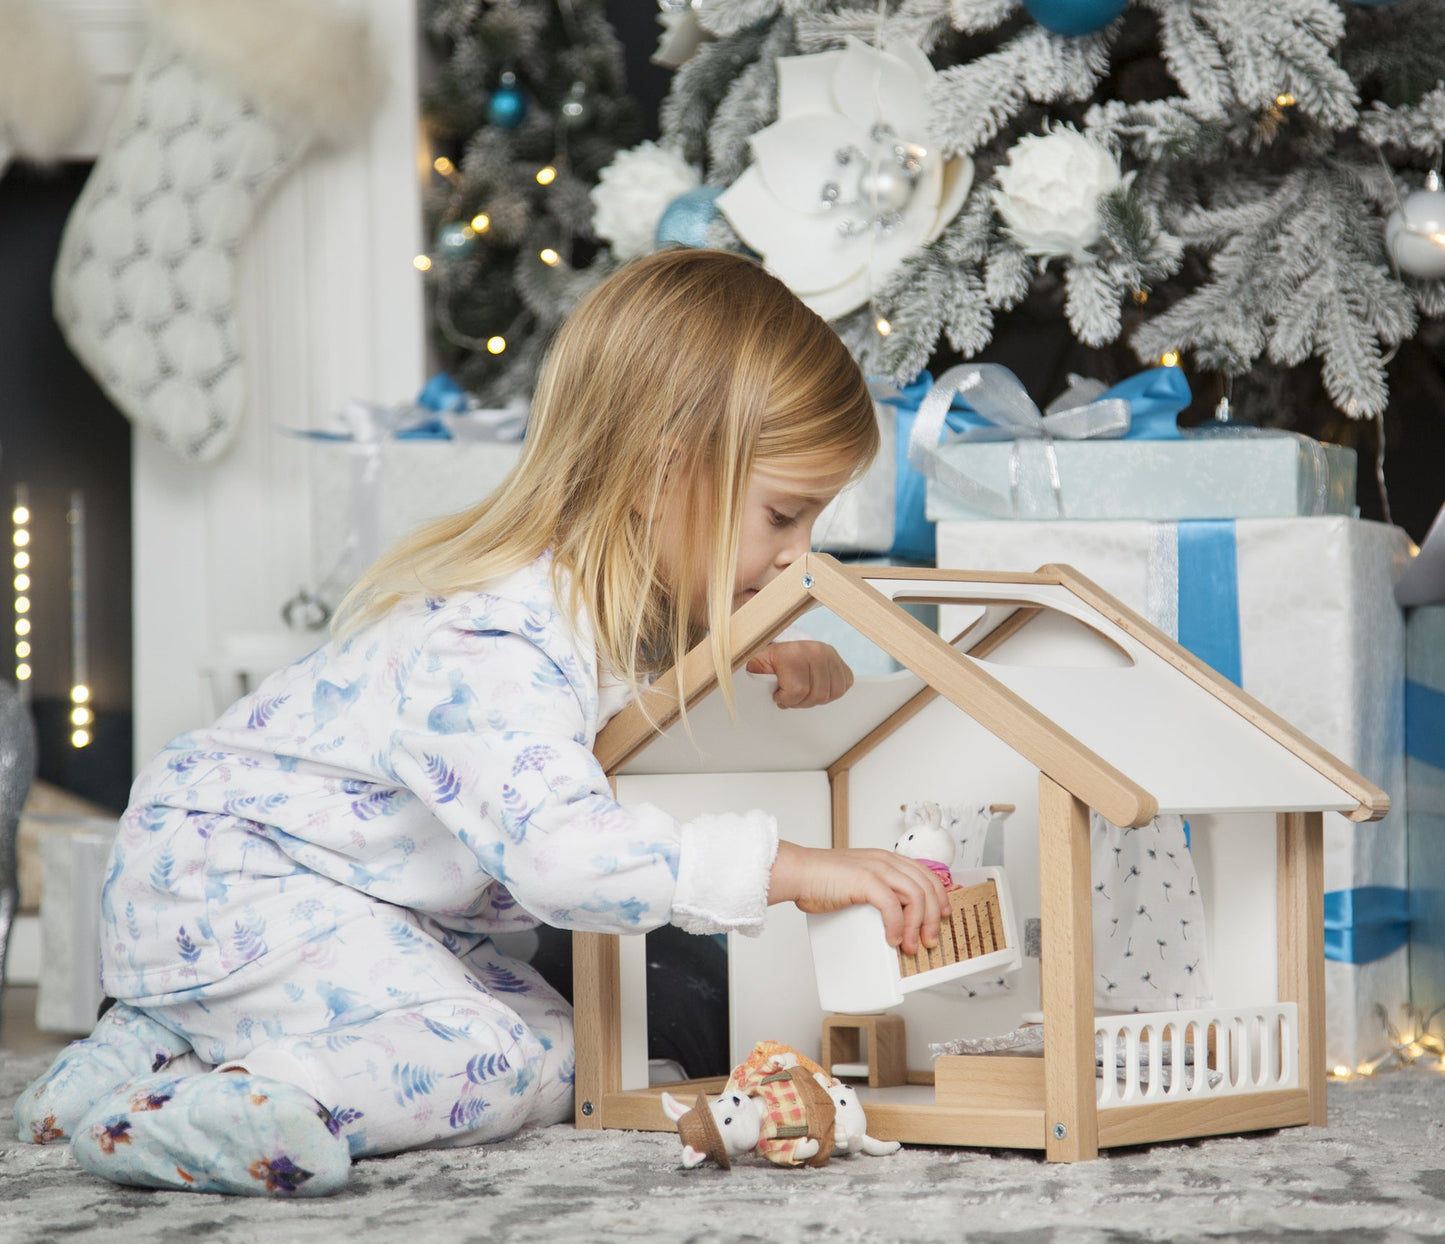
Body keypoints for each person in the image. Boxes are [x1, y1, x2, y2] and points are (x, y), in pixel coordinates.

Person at [14, 249, 948, 1196]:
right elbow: (563, 851)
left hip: (350, 896)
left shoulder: (609, 613)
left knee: (562, 1052)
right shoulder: (496, 636)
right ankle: (207, 1106)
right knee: (484, 1059)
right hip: (231, 874)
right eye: (782, 517)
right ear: (663, 475)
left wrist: (751, 662)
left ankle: (156, 1042)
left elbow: (633, 712)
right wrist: (791, 869)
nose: (798, 559)